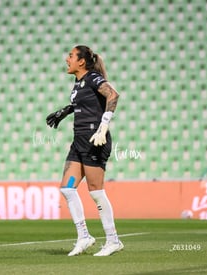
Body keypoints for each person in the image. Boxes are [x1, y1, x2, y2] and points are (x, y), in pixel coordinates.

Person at [46, 45, 122, 256]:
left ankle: (113, 240)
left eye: (70, 56)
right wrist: (64, 111)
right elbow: (84, 102)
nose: (66, 59)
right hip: (78, 142)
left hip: (94, 141)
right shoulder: (79, 83)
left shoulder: (93, 78)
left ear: (81, 61)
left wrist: (104, 125)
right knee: (67, 189)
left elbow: (113, 95)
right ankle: (84, 237)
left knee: (96, 192)